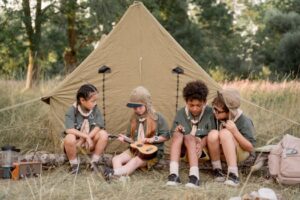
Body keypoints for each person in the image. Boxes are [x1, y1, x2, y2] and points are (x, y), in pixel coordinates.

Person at [103, 86, 170, 180]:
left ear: (147, 104)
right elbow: (132, 141)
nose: (137, 110)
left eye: (140, 106)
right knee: (116, 159)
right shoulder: (133, 119)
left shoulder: (157, 117)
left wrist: (151, 139)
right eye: (134, 107)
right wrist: (125, 139)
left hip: (151, 153)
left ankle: (114, 173)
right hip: (135, 150)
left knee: (135, 161)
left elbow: (166, 136)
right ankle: (121, 178)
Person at [167, 80, 215, 188]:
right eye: (191, 105)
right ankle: (173, 174)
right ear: (186, 101)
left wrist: (201, 144)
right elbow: (173, 134)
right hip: (183, 149)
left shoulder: (209, 113)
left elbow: (211, 133)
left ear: (205, 101)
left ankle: (194, 176)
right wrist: (178, 129)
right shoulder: (181, 113)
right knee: (178, 134)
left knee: (189, 137)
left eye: (198, 105)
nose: (195, 109)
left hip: (200, 148)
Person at [207, 88, 256, 187]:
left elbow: (250, 148)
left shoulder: (244, 121)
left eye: (218, 111)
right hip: (222, 153)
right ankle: (217, 170)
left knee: (225, 133)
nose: (215, 112)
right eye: (214, 108)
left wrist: (235, 132)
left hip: (241, 153)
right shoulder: (215, 117)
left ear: (229, 112)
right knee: (213, 134)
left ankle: (233, 175)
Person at [64, 83, 109, 174]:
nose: (95, 103)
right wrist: (85, 137)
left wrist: (88, 137)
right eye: (92, 101)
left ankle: (94, 162)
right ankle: (74, 165)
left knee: (103, 134)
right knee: (69, 137)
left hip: (90, 143)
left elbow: (99, 125)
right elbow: (69, 129)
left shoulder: (95, 109)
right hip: (76, 144)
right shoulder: (72, 110)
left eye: (96, 100)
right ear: (82, 100)